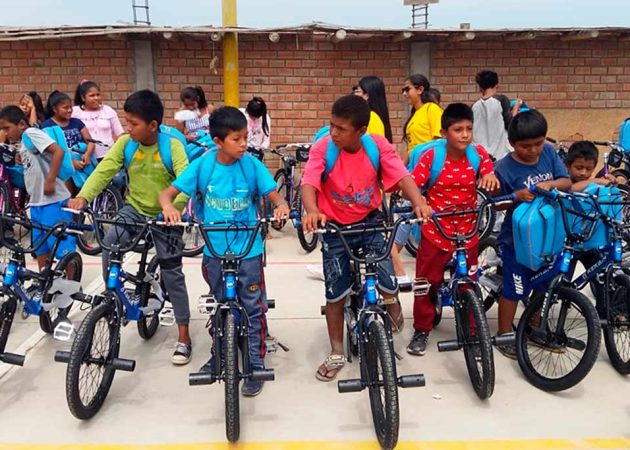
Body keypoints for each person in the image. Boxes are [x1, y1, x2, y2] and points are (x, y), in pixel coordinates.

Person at [160, 106, 289, 396]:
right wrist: (168, 206)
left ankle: (255, 362)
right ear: (217, 141)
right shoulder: (203, 166)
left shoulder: (252, 165)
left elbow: (274, 195)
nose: (244, 144)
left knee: (253, 307)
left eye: (245, 137)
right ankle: (218, 353)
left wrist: (281, 206)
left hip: (249, 249)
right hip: (214, 251)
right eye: (237, 139)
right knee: (220, 305)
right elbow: (167, 194)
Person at [301, 95, 430, 382]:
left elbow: (403, 177)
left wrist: (419, 201)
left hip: (370, 223)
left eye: (341, 128)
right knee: (336, 294)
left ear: (361, 131)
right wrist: (312, 211)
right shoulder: (324, 147)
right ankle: (336, 351)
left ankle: (389, 305)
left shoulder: (377, 146)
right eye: (331, 125)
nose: (333, 133)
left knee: (386, 282)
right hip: (334, 227)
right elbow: (309, 182)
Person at [68, 90, 193, 365]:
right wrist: (83, 196)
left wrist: (174, 207)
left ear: (153, 126)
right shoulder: (126, 143)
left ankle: (183, 334)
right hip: (133, 209)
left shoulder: (171, 146)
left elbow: (186, 180)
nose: (127, 128)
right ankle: (112, 299)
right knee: (109, 242)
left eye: (133, 123)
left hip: (166, 215)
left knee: (172, 272)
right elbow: (104, 171)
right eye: (126, 122)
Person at [406, 103, 499, 356]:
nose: (465, 135)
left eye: (469, 129)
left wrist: (490, 177)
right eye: (458, 130)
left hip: (467, 230)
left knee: (468, 282)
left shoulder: (477, 154)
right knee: (426, 282)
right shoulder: (431, 157)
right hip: (436, 229)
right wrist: (420, 203)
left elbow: (489, 171)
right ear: (444, 132)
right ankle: (422, 329)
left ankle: (472, 331)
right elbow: (412, 185)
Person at [493, 110, 572, 359]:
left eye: (538, 143)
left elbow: (566, 181)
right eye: (526, 146)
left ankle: (534, 326)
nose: (534, 150)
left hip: (548, 235)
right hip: (517, 242)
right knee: (514, 289)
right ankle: (504, 334)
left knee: (543, 283)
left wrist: (550, 185)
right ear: (512, 143)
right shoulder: (503, 168)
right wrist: (516, 196)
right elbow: (495, 204)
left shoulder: (549, 152)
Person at [0, 106, 76, 270]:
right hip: (37, 204)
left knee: (63, 249)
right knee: (41, 248)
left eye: (7, 128)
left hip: (53, 202)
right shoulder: (24, 142)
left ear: (21, 123)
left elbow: (58, 151)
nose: (6, 133)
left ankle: (73, 287)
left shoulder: (30, 134)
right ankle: (44, 283)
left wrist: (50, 180)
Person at [391, 74, 444, 286]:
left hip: (427, 172)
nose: (404, 94)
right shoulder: (415, 114)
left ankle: (395, 260)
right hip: (414, 171)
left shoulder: (432, 110)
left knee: (411, 213)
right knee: (409, 215)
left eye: (407, 89)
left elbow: (439, 140)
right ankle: (395, 259)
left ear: (420, 89)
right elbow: (410, 146)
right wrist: (399, 171)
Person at [41, 91, 95, 192]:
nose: (69, 110)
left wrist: (87, 154)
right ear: (54, 109)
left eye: (71, 107)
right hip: (62, 167)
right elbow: (50, 151)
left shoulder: (77, 122)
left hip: (83, 163)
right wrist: (70, 163)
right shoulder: (47, 126)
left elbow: (91, 142)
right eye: (65, 108)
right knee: (69, 195)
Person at [72, 80, 124, 161]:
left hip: (108, 156)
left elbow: (120, 133)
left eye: (98, 95)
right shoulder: (75, 112)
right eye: (92, 95)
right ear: (83, 97)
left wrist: (117, 151)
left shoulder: (108, 110)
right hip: (84, 157)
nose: (96, 98)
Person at [472, 70, 517, 161]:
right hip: (500, 154)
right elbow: (510, 124)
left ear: (480, 88)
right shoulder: (502, 100)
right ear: (497, 86)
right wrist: (516, 108)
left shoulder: (474, 106)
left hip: (480, 155)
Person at [355, 76, 393, 143]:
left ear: (367, 96)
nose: (355, 95)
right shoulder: (369, 116)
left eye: (358, 92)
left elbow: (377, 146)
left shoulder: (372, 118)